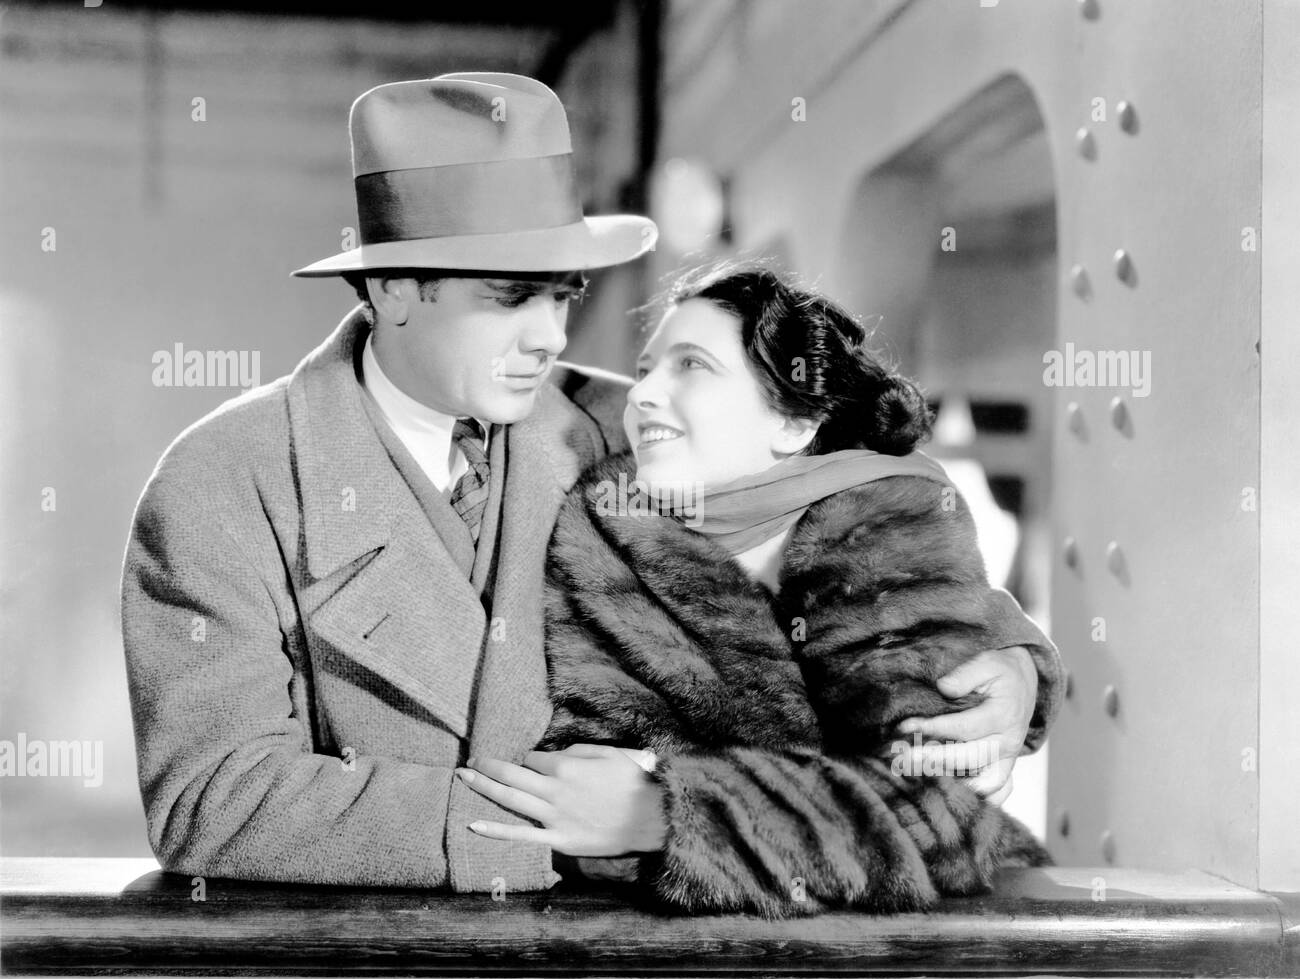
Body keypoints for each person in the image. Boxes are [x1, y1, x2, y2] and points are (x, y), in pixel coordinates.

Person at [122, 73, 1047, 896]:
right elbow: (213, 796)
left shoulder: (630, 430)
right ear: (397, 287)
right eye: (509, 297)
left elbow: (855, 496)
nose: (553, 337)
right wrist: (553, 825)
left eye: (562, 294)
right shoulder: (225, 482)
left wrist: (1011, 669)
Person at [455, 262, 1065, 916]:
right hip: (663, 950)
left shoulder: (888, 531)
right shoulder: (605, 538)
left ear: (794, 423)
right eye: (645, 369)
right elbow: (581, 774)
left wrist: (669, 816)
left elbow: (941, 822)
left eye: (692, 367)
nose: (643, 395)